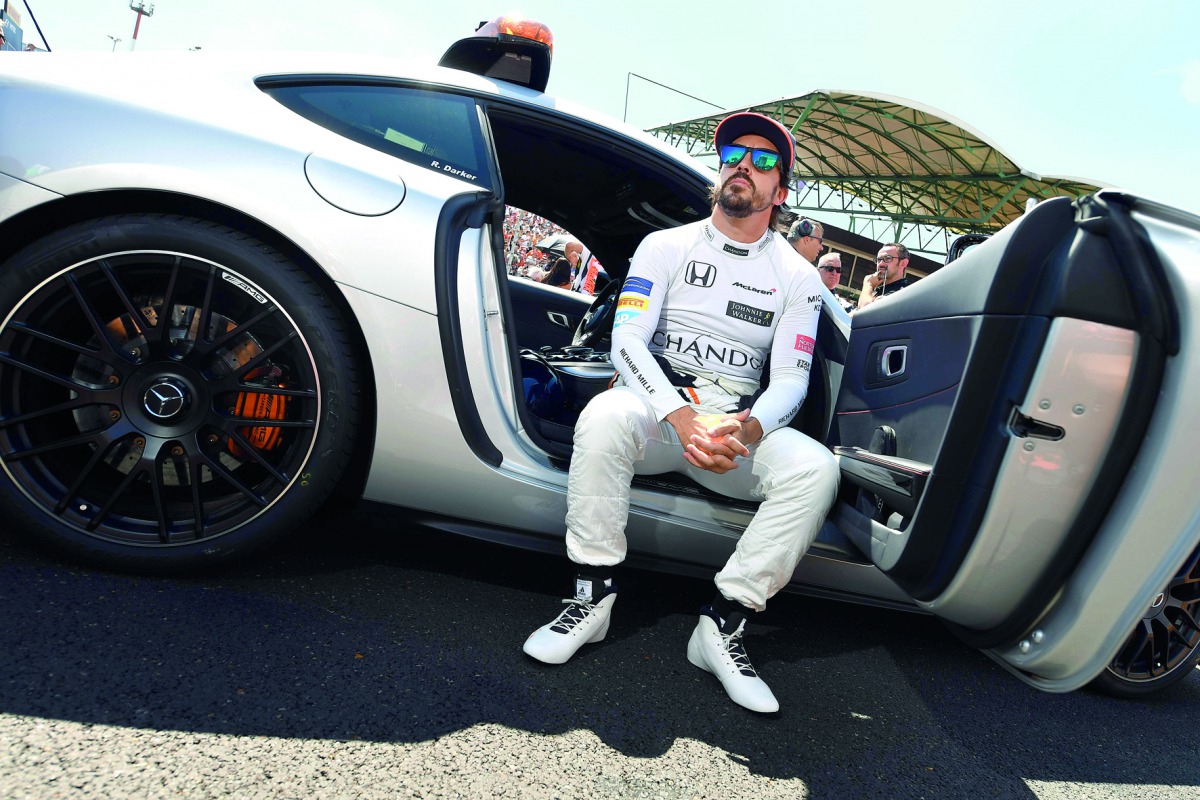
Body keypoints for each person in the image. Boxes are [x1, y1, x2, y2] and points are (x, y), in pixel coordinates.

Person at [522, 112, 839, 714]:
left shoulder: (799, 277)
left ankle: (722, 627)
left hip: (732, 433)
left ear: (782, 190)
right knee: (605, 415)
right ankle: (592, 600)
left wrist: (744, 431)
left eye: (764, 159)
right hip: (660, 417)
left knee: (815, 469)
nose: (744, 165)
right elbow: (626, 342)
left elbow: (793, 380)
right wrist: (679, 416)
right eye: (733, 154)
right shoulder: (664, 244)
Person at [857, 242, 912, 309]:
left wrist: (868, 285)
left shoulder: (904, 293)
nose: (881, 264)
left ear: (903, 263)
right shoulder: (878, 290)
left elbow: (865, 309)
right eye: (879, 259)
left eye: (888, 258)